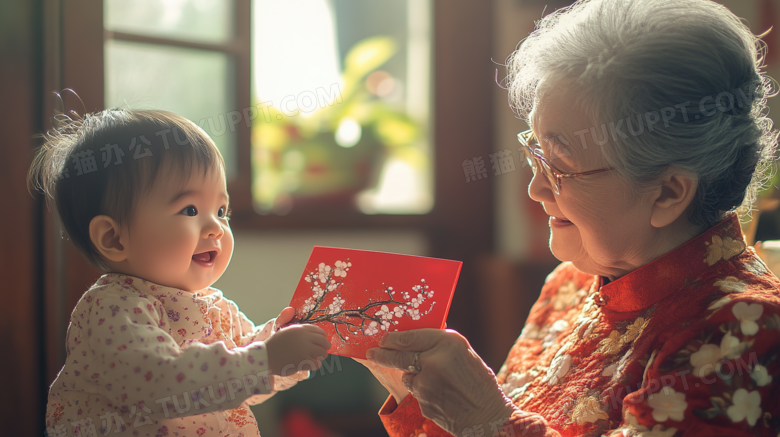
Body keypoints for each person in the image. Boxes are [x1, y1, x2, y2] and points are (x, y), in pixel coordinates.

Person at [360, 0, 780, 436]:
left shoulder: (739, 328)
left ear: (669, 192)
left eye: (561, 166)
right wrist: (416, 396)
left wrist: (485, 420)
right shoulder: (570, 284)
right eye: (535, 153)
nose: (536, 189)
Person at [29, 109, 331, 437]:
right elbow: (162, 385)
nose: (216, 227)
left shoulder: (216, 307)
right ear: (114, 238)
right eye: (190, 210)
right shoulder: (113, 309)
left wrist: (280, 344)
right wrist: (265, 359)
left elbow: (244, 380)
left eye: (221, 210)